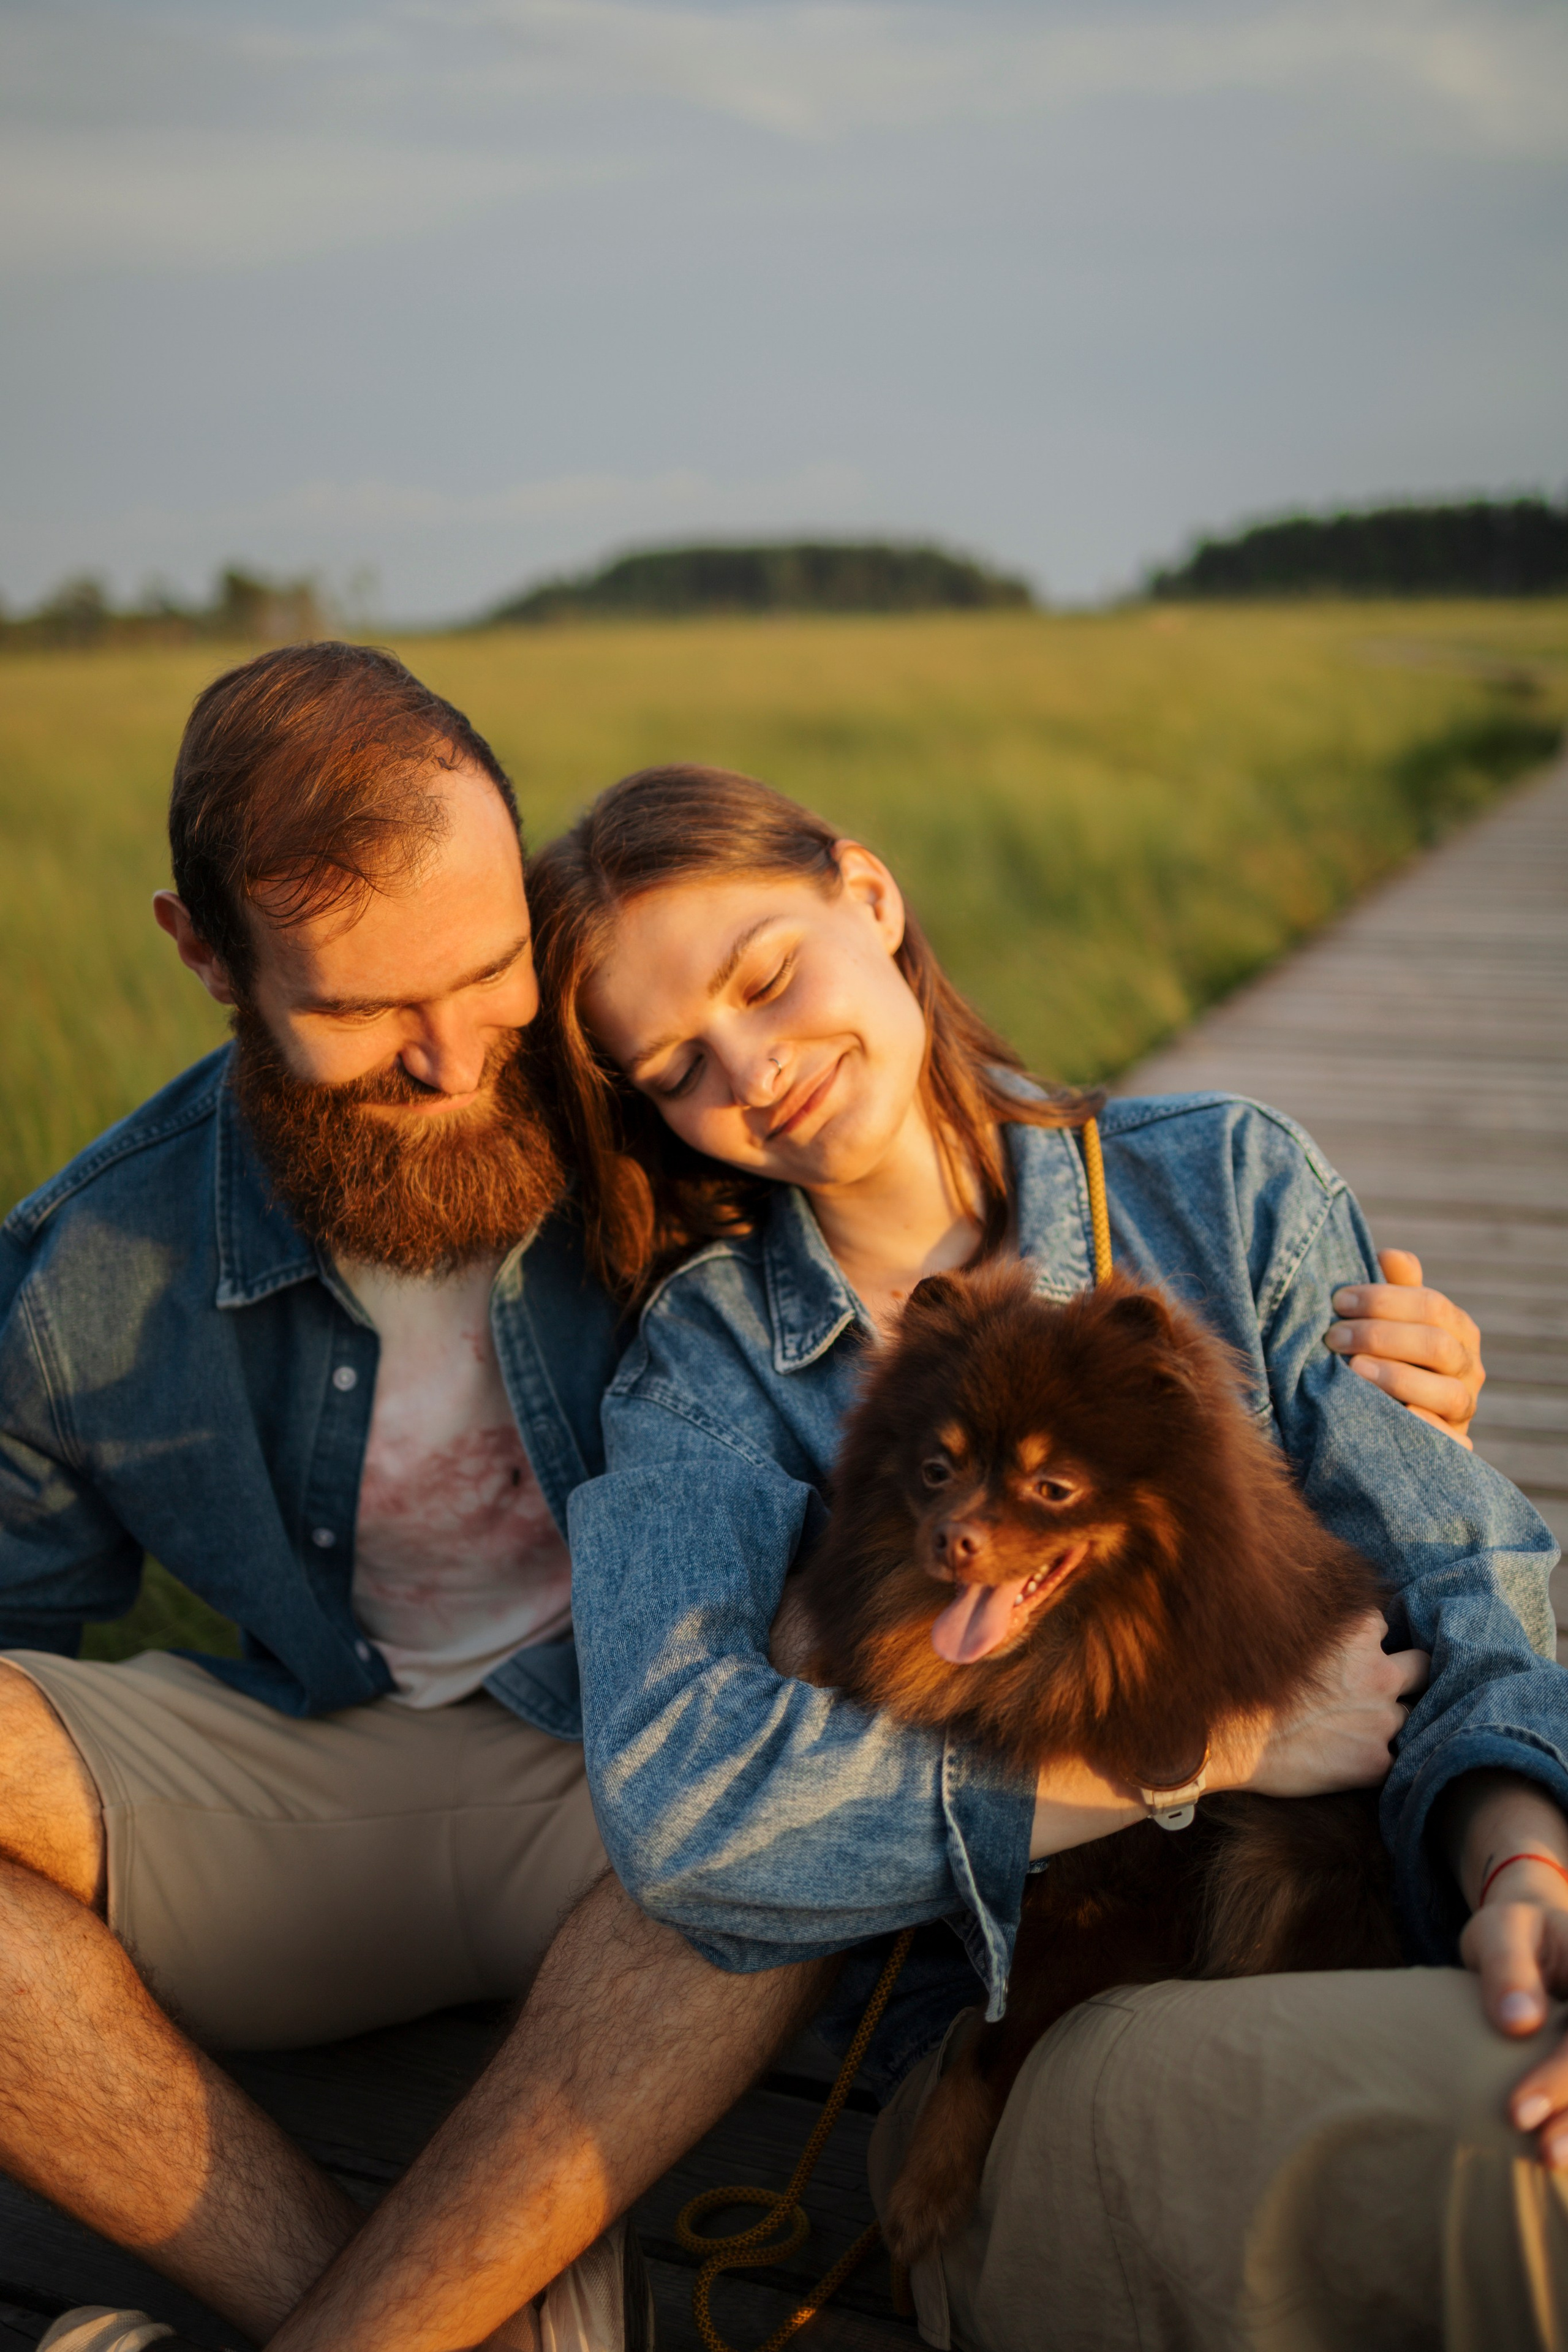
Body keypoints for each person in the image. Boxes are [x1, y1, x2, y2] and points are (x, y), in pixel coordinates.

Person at [0, 650, 1489, 2352]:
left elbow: (940, 1193)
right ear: (207, 957)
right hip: (348, 1767)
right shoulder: (90, 1274)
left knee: (734, 1791)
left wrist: (1341, 1392)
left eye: (488, 974)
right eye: (357, 1009)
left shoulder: (643, 1087)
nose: (445, 1057)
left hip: (655, 1772)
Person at [531, 763, 1567, 2349]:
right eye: (678, 1065)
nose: (755, 1066)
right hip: (1040, 2056)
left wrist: (1519, 1861)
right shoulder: (711, 1370)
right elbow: (687, 1805)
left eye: (765, 976)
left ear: (867, 897)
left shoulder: (1225, 1186)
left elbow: (1461, 1566)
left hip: (1378, 1927)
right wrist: (1186, 1757)